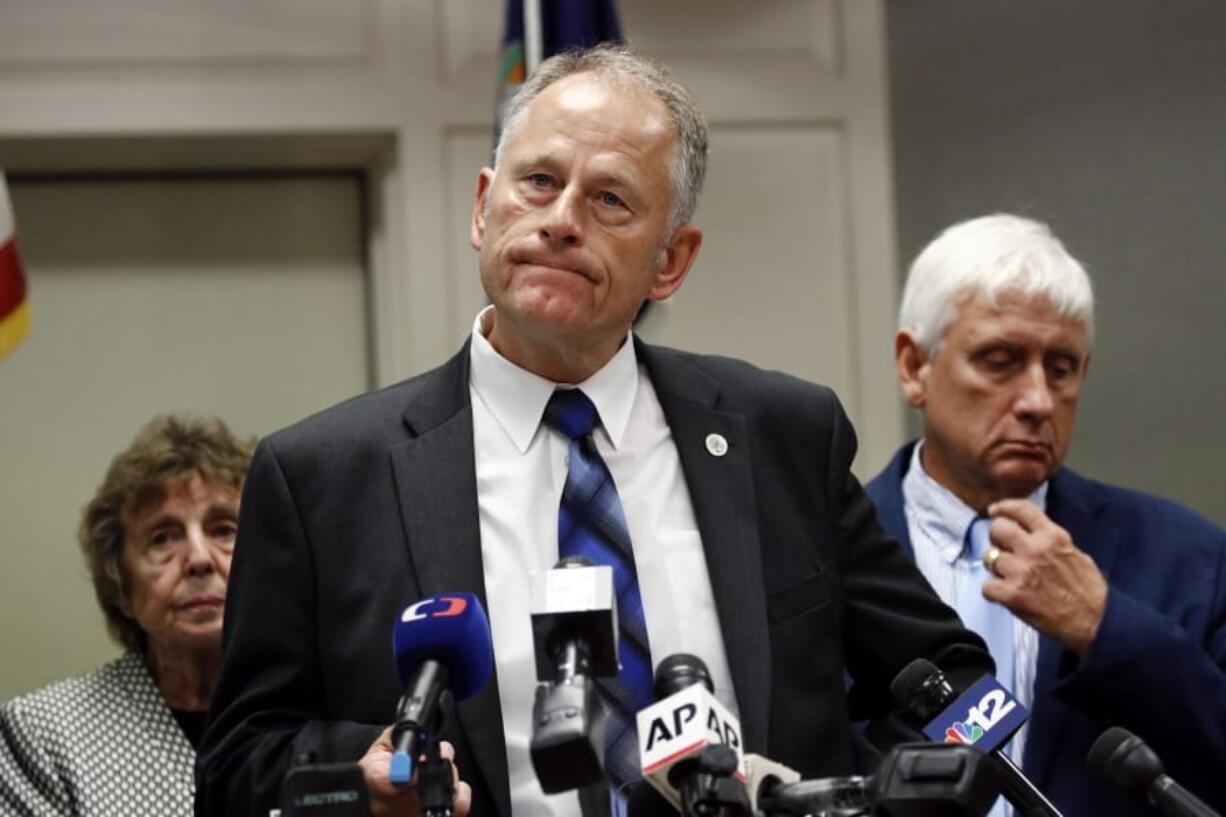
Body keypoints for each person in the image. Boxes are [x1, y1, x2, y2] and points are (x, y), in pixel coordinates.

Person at [196, 45, 992, 817]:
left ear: (671, 261)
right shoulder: (322, 476)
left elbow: (961, 685)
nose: (562, 220)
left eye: (610, 199)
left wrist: (850, 805)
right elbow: (236, 765)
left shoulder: (783, 434)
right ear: (483, 207)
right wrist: (358, 777)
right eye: (538, 182)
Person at [865, 213, 1226, 816]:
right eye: (999, 360)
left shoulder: (1189, 558)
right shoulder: (818, 549)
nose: (1037, 401)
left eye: (1060, 369)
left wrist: (1105, 627)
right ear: (913, 366)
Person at [0, 415, 254, 816]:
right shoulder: (45, 732)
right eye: (163, 538)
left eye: (224, 530)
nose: (199, 559)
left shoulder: (324, 710)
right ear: (122, 586)